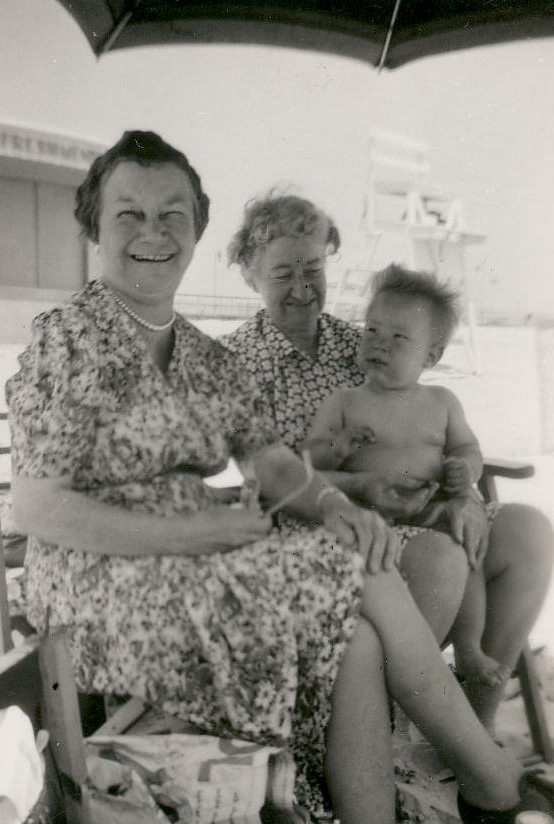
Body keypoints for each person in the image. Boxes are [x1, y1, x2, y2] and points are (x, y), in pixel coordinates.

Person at [6, 134, 554, 824]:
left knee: (358, 630)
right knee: (351, 573)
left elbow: (269, 463)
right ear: (94, 226)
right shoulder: (67, 338)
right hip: (99, 594)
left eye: (173, 214)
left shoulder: (199, 354)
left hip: (193, 576)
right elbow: (37, 507)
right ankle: (490, 777)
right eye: (130, 213)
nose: (153, 231)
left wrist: (334, 505)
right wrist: (199, 534)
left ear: (197, 230)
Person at [222, 192, 554, 730]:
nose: (303, 288)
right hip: (313, 530)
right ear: (249, 274)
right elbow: (271, 480)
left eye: (314, 268)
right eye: (282, 273)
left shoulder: (366, 339)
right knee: (442, 559)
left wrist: (463, 494)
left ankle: (476, 726)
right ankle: (391, 740)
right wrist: (357, 485)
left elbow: (427, 427)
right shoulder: (235, 366)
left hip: (412, 511)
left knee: (528, 533)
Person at [302, 263, 509, 694]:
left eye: (399, 337)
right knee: (448, 550)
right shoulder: (344, 402)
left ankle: (468, 646)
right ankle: (410, 676)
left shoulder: (442, 401)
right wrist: (339, 446)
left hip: (434, 506)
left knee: (466, 544)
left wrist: (463, 469)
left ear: (430, 357)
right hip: (374, 520)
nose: (380, 344)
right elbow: (311, 461)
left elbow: (468, 448)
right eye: (372, 330)